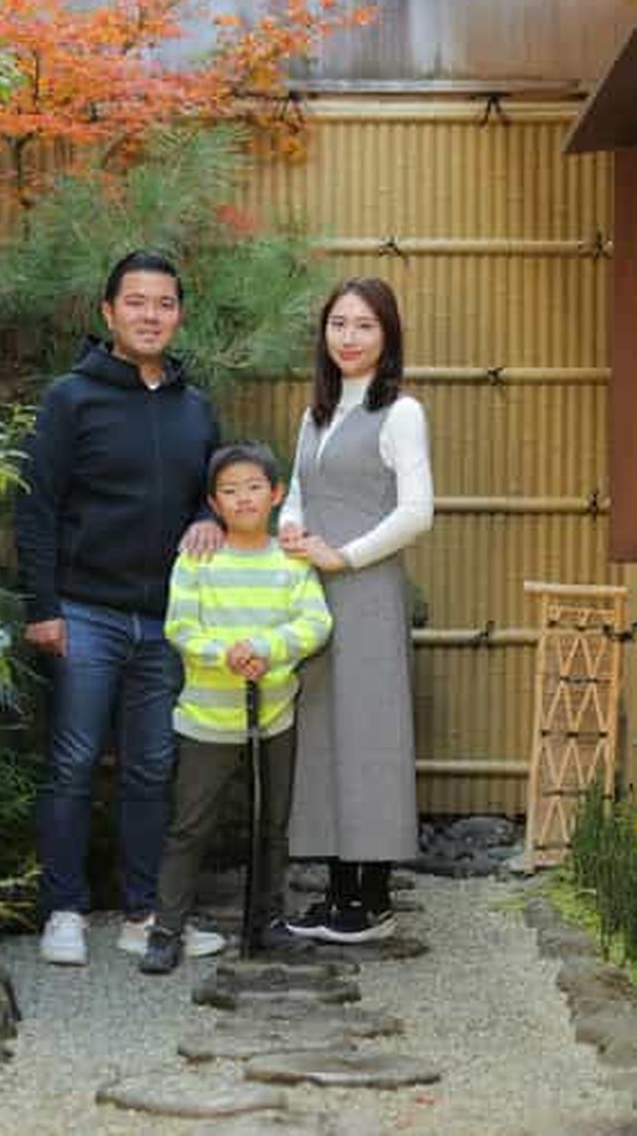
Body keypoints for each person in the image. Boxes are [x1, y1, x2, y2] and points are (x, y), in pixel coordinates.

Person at [15, 249, 225, 967]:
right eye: (135, 302)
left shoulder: (196, 406)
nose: (150, 315)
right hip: (85, 613)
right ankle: (64, 910)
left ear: (179, 316)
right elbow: (36, 505)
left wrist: (210, 516)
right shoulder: (71, 398)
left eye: (164, 303)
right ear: (108, 312)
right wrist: (43, 607)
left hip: (168, 620)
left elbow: (216, 490)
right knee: (73, 762)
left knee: (151, 768)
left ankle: (144, 913)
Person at [139, 442, 333, 974]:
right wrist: (225, 654)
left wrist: (266, 648)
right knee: (189, 825)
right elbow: (181, 627)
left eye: (253, 487)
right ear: (213, 502)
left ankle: (267, 921)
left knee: (271, 823)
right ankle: (166, 929)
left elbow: (316, 623)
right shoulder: (198, 559)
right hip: (206, 718)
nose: (243, 498)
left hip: (274, 716)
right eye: (229, 490)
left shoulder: (291, 562)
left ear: (276, 494)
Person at [279, 277, 433, 945]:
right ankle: (340, 891)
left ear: (387, 336)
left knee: (371, 738)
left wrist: (344, 555)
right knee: (326, 738)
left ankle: (374, 899)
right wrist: (289, 530)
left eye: (364, 325)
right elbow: (296, 492)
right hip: (314, 594)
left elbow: (417, 512)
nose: (349, 337)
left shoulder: (401, 413)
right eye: (338, 323)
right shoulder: (314, 416)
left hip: (367, 592)